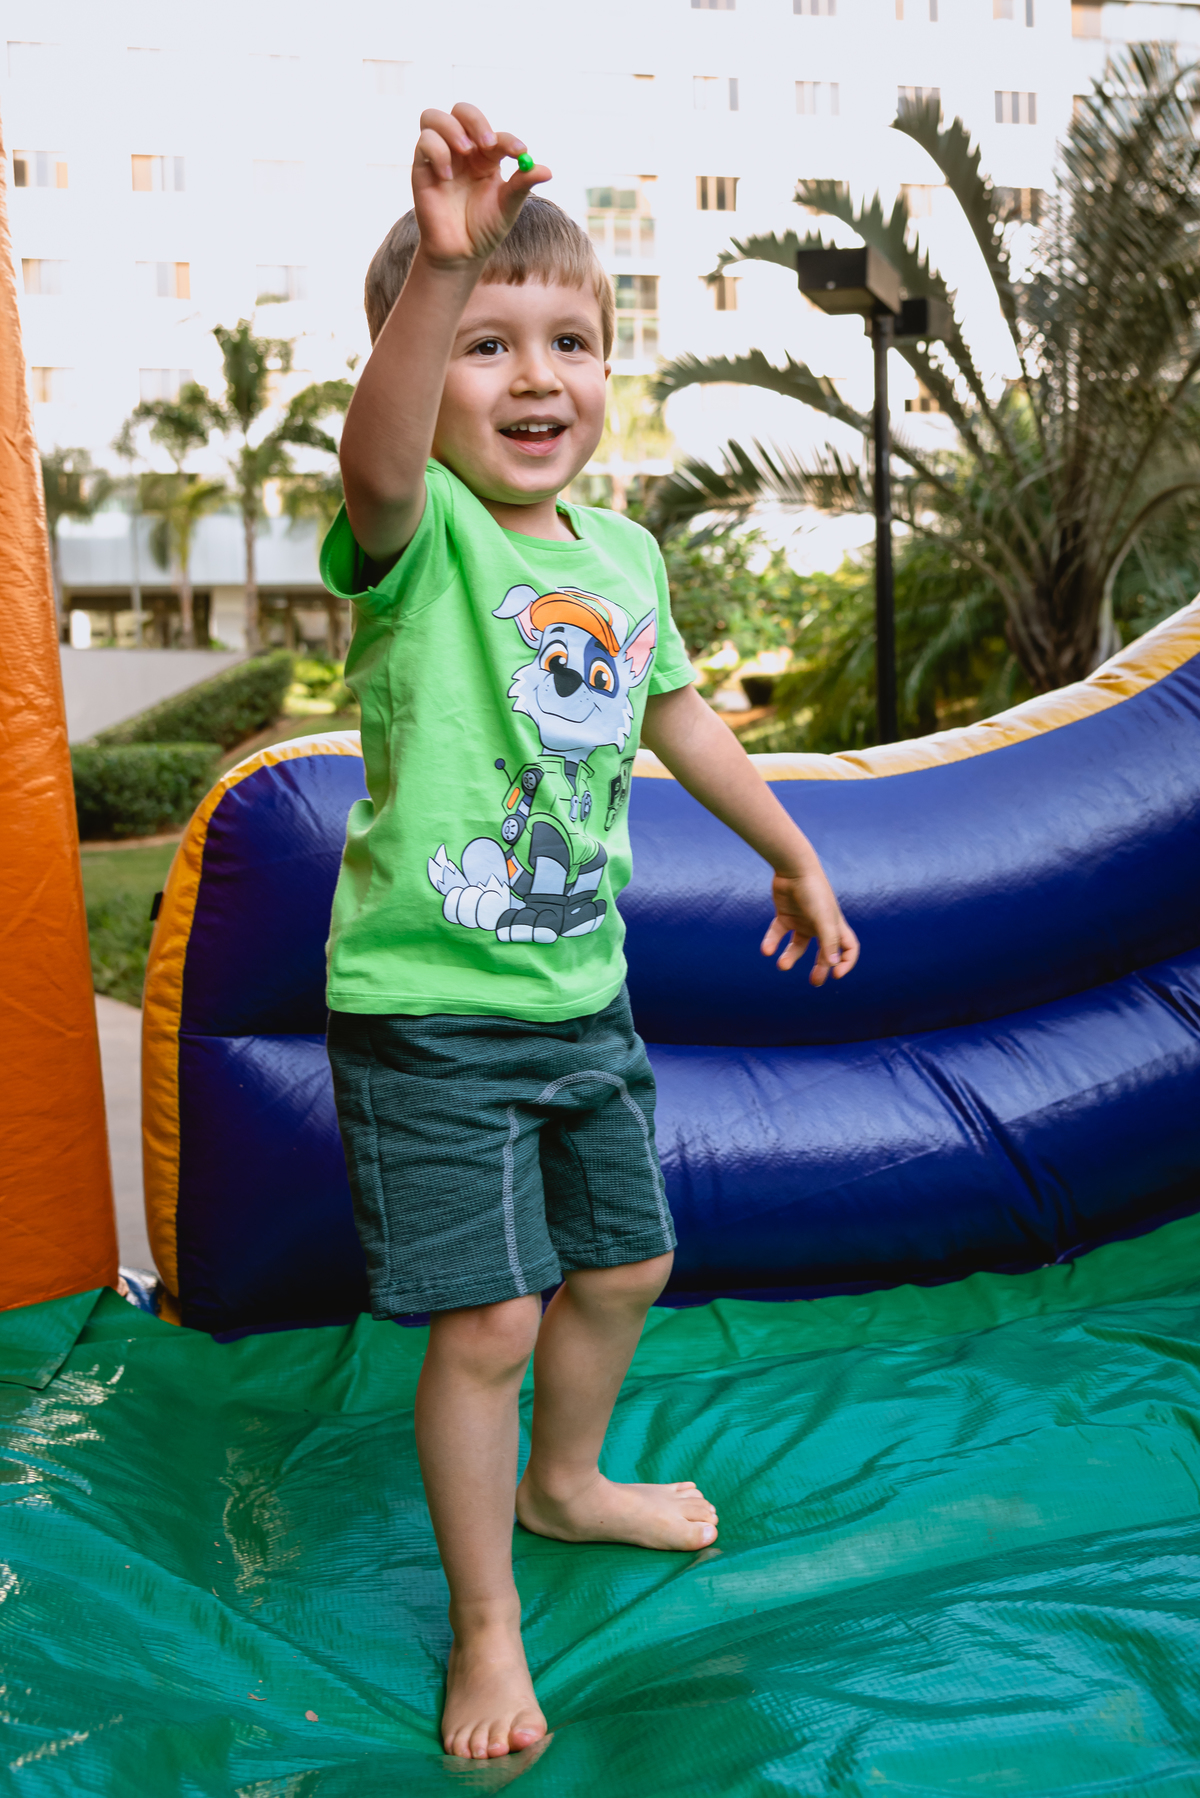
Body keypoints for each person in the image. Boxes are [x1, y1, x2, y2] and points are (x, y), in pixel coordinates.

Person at [322, 102, 860, 1763]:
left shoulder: (624, 557)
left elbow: (675, 716)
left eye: (569, 341)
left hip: (579, 995)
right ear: (427, 365)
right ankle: (487, 1624)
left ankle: (563, 1480)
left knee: (625, 1261)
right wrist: (442, 263)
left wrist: (791, 851)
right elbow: (376, 463)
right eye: (486, 345)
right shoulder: (424, 537)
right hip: (429, 1003)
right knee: (488, 1318)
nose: (535, 376)